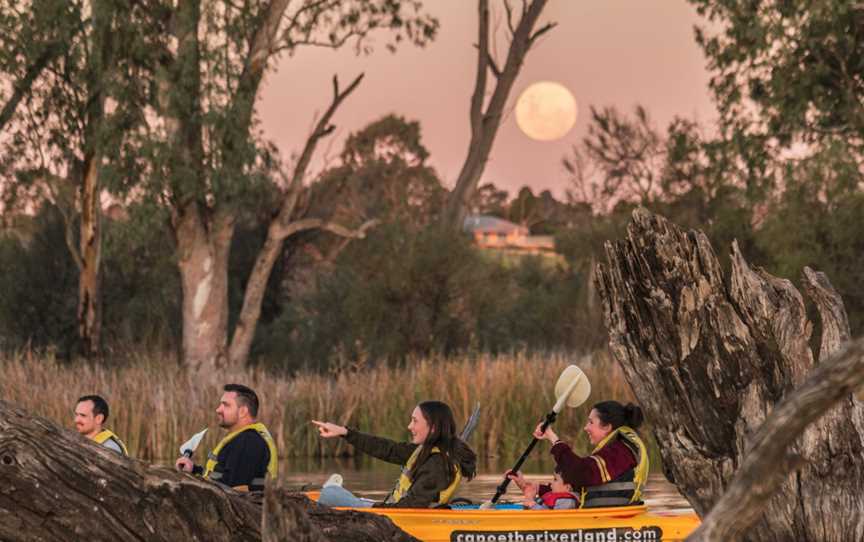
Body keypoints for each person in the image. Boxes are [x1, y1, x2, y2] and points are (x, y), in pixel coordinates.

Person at [312, 400, 477, 508]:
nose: (409, 426)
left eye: (415, 421)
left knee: (329, 494)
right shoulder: (425, 451)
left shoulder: (437, 464)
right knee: (333, 494)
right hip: (392, 510)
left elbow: (410, 508)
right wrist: (344, 432)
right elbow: (385, 448)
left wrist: (372, 508)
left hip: (394, 517)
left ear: (433, 428)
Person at [508, 401, 648, 509]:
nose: (586, 427)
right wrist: (531, 488)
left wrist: (552, 437)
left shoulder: (621, 451)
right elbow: (573, 487)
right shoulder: (617, 448)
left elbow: (579, 473)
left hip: (614, 517)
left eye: (591, 422)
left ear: (607, 427)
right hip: (603, 515)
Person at [175, 384, 278, 492]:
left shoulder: (249, 441)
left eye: (226, 405)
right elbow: (224, 479)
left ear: (243, 411)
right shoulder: (242, 438)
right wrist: (194, 470)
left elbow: (232, 490)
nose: (218, 410)